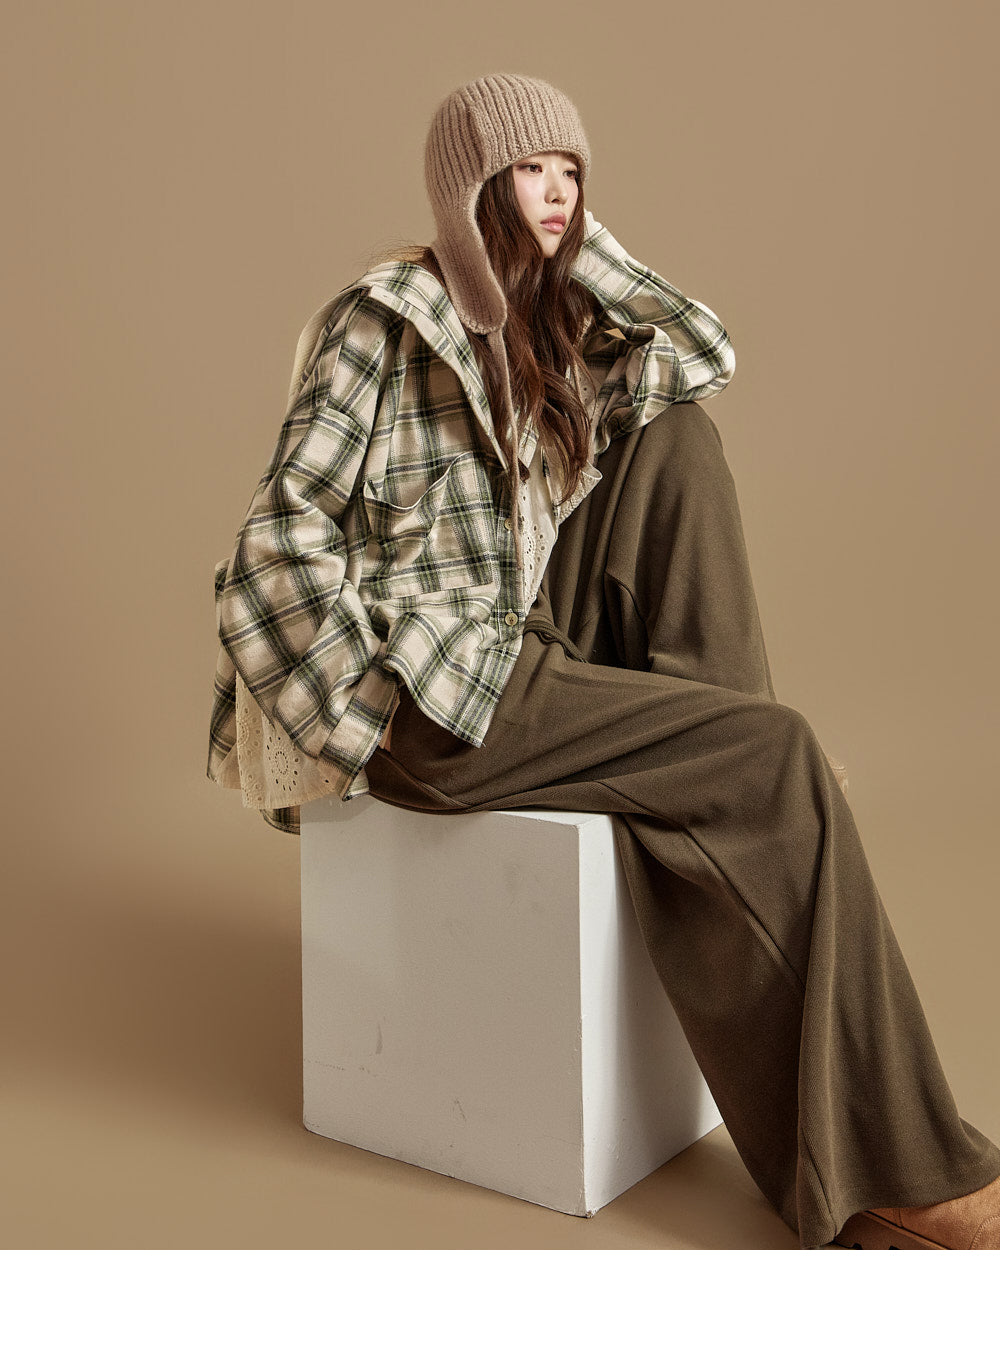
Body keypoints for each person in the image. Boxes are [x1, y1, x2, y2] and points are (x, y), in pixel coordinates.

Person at [206, 72, 1000, 1249]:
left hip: (516, 637)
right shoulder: (382, 319)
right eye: (529, 169)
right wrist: (365, 711)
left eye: (571, 171)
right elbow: (274, 545)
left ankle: (736, 794)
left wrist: (578, 258)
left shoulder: (548, 324)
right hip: (436, 689)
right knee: (775, 754)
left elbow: (698, 351)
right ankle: (902, 1172)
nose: (557, 191)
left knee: (675, 437)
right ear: (470, 186)